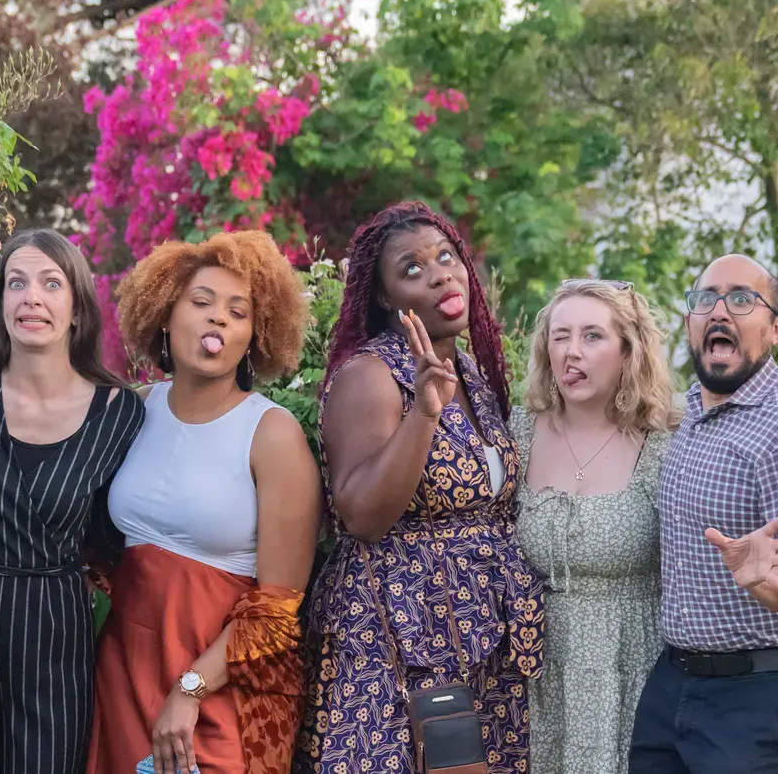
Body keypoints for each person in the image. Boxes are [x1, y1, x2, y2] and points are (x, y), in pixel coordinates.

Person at [293, 201, 544, 774]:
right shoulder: (372, 376)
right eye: (413, 269)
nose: (440, 274)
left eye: (446, 257)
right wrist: (423, 414)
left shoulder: (474, 376)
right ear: (385, 298)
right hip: (396, 639)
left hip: (481, 638)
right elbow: (360, 516)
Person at [85, 232, 322, 774]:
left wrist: (190, 691)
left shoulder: (272, 433)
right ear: (166, 316)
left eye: (237, 312)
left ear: (253, 337)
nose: (218, 320)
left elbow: (278, 607)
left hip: (221, 687)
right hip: (122, 674)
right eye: (201, 303)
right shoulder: (134, 410)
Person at [0, 229, 144, 774]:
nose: (32, 298)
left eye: (52, 284)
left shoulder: (118, 413)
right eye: (17, 283)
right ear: (1, 302)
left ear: (76, 308)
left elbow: (124, 527)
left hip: (54, 632)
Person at [508, 279, 676, 774]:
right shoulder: (518, 431)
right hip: (535, 674)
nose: (571, 353)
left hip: (631, 671)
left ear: (629, 352)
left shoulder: (665, 442)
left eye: (592, 336)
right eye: (560, 337)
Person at [629, 254, 778, 774]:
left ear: (773, 327)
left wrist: (764, 584)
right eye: (705, 299)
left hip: (753, 696)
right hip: (670, 684)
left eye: (742, 299)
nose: (720, 310)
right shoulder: (687, 410)